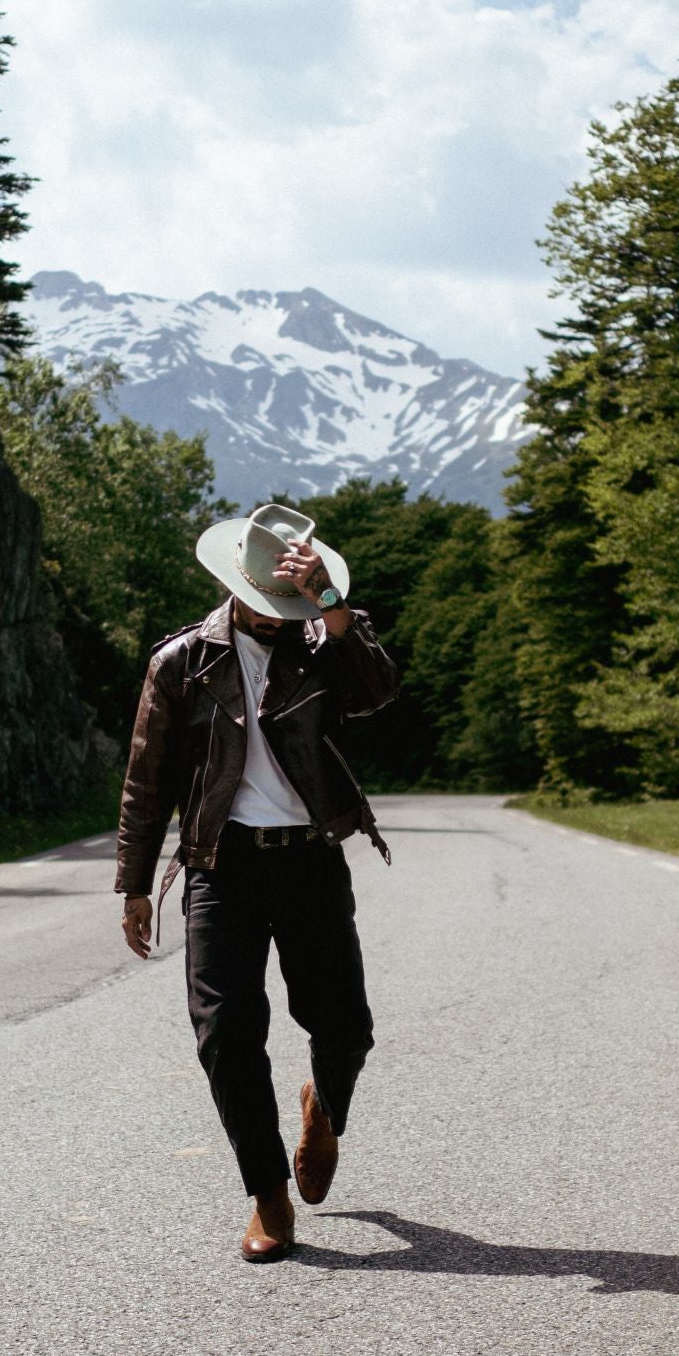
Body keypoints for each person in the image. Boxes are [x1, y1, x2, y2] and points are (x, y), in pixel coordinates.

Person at [115, 502, 399, 1262]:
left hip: (309, 857)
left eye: (292, 599)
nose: (278, 616)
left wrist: (332, 609)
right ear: (234, 585)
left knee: (344, 1026)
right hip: (220, 865)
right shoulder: (181, 663)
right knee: (225, 1033)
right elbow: (147, 781)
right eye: (267, 600)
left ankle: (323, 1109)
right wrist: (135, 884)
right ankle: (268, 1195)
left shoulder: (322, 644)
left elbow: (376, 693)